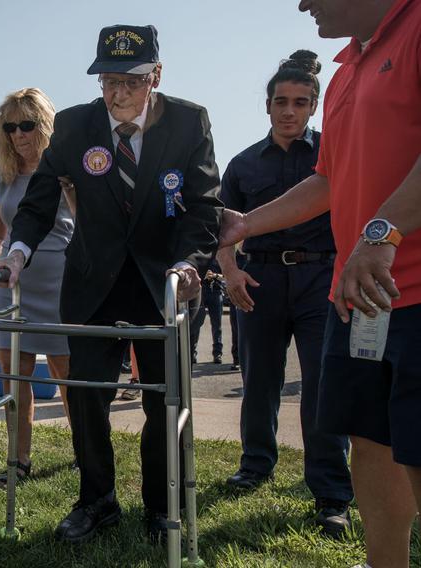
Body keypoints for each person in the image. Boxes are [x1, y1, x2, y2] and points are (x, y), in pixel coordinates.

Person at [0, 24, 222, 544]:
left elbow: (204, 205)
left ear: (155, 76)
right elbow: (38, 199)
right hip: (93, 285)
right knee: (89, 397)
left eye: (130, 82)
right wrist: (17, 254)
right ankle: (97, 500)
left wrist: (189, 262)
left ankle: (161, 507)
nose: (117, 94)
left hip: (161, 283)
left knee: (162, 402)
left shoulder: (188, 122)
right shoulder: (75, 127)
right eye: (108, 81)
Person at [221, 1, 420, 565]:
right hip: (357, 299)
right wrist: (246, 223)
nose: (303, 3)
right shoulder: (346, 69)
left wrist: (381, 232)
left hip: (414, 294)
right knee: (370, 442)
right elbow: (329, 181)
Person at [217, 50, 353, 537]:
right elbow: (220, 229)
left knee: (322, 386)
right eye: (280, 101)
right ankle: (255, 465)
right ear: (267, 105)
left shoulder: (332, 157)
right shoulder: (242, 164)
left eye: (300, 102)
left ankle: (332, 492)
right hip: (261, 280)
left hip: (322, 280)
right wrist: (231, 272)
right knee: (259, 382)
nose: (289, 110)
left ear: (314, 105)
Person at [0, 87, 74, 485]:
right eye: (10, 126)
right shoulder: (4, 179)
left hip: (60, 283)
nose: (18, 134)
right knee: (16, 381)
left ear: (44, 125)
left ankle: (87, 455)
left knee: (69, 380)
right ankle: (19, 462)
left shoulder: (66, 172)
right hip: (11, 287)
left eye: (26, 124)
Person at [189, 260, 223, 364]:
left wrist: (214, 275)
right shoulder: (200, 255)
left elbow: (226, 275)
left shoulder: (220, 256)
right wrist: (203, 275)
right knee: (197, 322)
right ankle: (193, 352)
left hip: (216, 291)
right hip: (200, 291)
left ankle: (217, 353)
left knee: (217, 324)